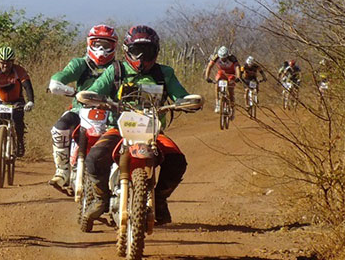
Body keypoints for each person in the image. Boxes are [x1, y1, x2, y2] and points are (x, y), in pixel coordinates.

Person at [80, 25, 201, 228]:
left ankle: (160, 200)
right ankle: (100, 199)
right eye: (137, 51)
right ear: (127, 50)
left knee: (177, 161)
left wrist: (186, 102)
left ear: (156, 52)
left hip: (152, 132)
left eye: (148, 51)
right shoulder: (115, 70)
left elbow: (181, 96)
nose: (142, 57)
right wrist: (92, 98)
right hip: (118, 130)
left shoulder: (164, 74)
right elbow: (94, 90)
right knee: (94, 158)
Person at [47, 24, 117, 194]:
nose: (101, 49)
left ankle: (118, 182)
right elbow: (58, 79)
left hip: (110, 112)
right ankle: (62, 170)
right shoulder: (80, 64)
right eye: (97, 44)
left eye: (106, 45)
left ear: (114, 46)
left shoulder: (119, 68)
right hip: (80, 110)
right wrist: (72, 92)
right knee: (59, 128)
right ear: (89, 44)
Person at [0, 46, 35, 167]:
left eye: (8, 62)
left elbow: (27, 86)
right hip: (0, 101)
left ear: (12, 62)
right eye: (2, 63)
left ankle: (19, 143)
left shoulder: (19, 70)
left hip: (16, 101)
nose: (5, 65)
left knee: (17, 121)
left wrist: (30, 101)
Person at [204, 45, 240, 116]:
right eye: (221, 58)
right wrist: (207, 77)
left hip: (231, 74)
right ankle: (217, 103)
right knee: (217, 83)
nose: (223, 59)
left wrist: (238, 77)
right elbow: (209, 66)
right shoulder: (216, 57)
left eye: (224, 58)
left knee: (231, 90)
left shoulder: (232, 58)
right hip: (222, 72)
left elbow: (237, 67)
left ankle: (232, 108)